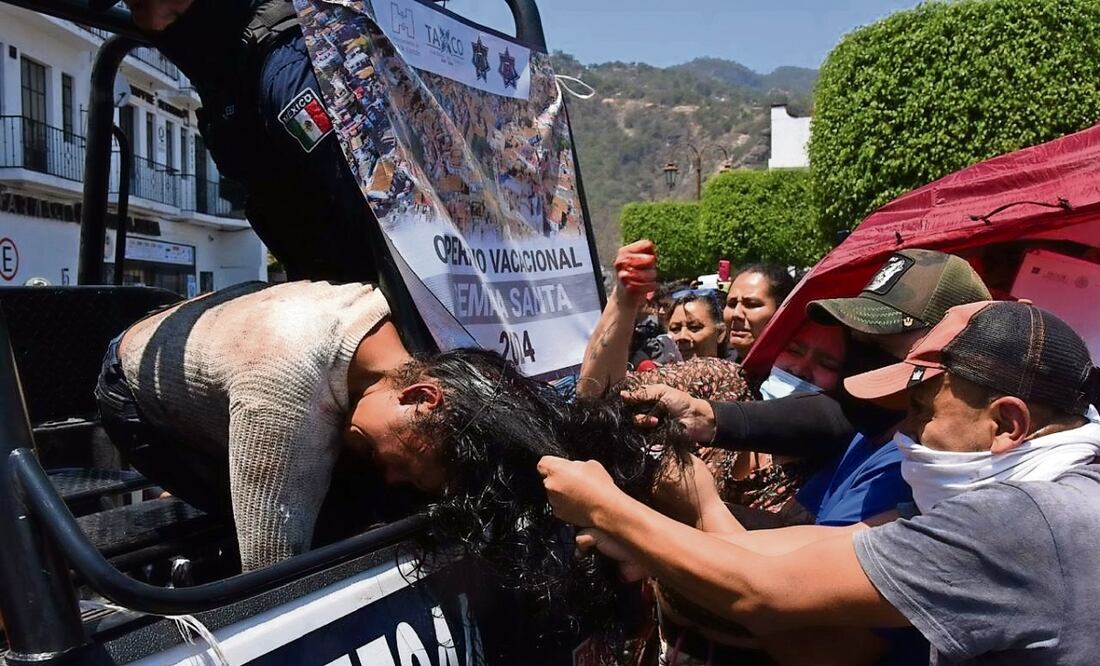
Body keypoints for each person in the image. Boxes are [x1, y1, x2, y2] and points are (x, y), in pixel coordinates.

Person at [541, 300, 1100, 665]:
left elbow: (764, 591)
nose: (903, 428)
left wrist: (607, 507)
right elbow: (824, 546)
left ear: (1007, 423)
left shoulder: (1024, 519)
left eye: (922, 409)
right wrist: (645, 533)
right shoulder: (1042, 489)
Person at [95, 0, 378, 282]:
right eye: (134, 8)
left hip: (373, 293)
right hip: (329, 290)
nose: (148, 22)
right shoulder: (226, 67)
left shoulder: (283, 66)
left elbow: (381, 218)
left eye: (140, 5)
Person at [723, 264, 795, 361]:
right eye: (731, 304)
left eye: (751, 304)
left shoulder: (795, 372)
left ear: (782, 310)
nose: (736, 314)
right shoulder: (716, 371)